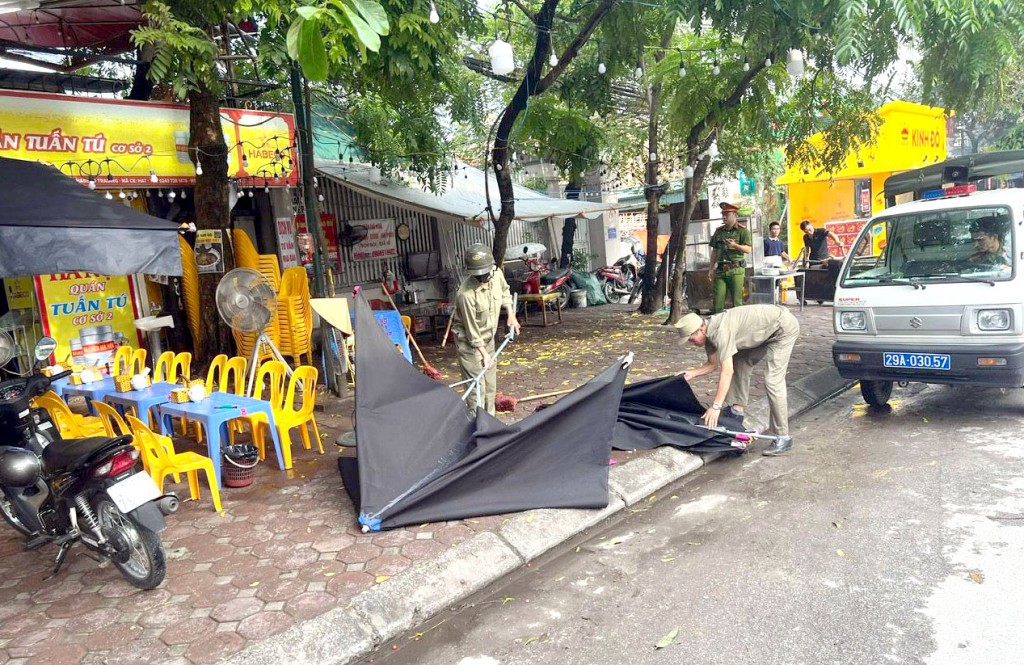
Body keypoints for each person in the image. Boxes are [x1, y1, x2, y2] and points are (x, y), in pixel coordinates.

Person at [675, 304, 800, 456]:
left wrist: (716, 407)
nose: (691, 343)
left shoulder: (721, 332)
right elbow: (713, 364)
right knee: (740, 361)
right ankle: (737, 411)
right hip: (764, 330)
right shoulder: (708, 332)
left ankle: (783, 436)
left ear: (701, 329)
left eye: (691, 339)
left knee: (773, 381)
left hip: (782, 329)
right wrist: (691, 373)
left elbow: (727, 371)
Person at [452, 243, 521, 415]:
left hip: (489, 339)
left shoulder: (496, 275)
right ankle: (477, 429)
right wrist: (484, 354)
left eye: (485, 274)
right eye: (478, 276)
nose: (483, 279)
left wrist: (510, 313)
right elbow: (471, 331)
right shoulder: (465, 294)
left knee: (490, 388)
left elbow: (505, 292)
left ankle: (490, 425)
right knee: (477, 391)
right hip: (470, 346)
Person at [708, 202, 753, 313]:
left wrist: (735, 246)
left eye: (727, 214)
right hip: (720, 269)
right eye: (723, 214)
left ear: (735, 215)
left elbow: (748, 249)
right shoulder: (718, 232)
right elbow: (714, 251)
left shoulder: (743, 231)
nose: (724, 217)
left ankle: (738, 327)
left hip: (736, 269)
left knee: (737, 302)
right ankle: (718, 327)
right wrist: (710, 268)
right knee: (717, 302)